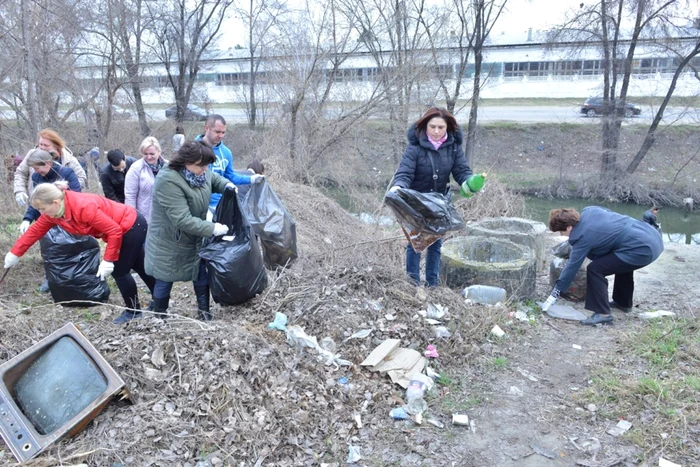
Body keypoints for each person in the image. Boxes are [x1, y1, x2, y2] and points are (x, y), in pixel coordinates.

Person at [4, 183, 157, 324]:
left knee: (119, 271)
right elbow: (34, 231)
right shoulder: (55, 213)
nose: (41, 212)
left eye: (42, 208)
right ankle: (160, 299)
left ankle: (133, 311)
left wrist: (108, 260)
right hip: (124, 226)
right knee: (138, 265)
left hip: (130, 225)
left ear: (55, 203)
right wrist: (15, 253)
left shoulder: (83, 207)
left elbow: (114, 230)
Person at [144, 140, 233, 321]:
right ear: (187, 162)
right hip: (170, 240)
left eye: (207, 165)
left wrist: (228, 186)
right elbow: (182, 219)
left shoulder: (201, 172)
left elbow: (214, 180)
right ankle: (159, 316)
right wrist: (212, 228)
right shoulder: (168, 180)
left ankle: (204, 313)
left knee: (200, 272)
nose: (205, 169)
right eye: (202, 166)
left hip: (194, 237)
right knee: (165, 278)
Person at [390, 107, 472, 287]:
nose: (436, 131)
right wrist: (398, 187)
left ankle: (432, 284)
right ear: (425, 126)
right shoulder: (414, 148)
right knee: (415, 243)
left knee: (435, 244)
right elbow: (404, 173)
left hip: (439, 204)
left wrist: (468, 182)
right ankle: (412, 283)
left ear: (448, 128)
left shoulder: (454, 148)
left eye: (440, 127)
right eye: (432, 126)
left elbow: (462, 171)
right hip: (416, 203)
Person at [542, 207, 664, 326]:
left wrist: (555, 292)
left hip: (644, 249)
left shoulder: (582, 237)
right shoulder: (590, 210)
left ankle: (603, 314)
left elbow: (572, 267)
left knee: (595, 269)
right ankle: (622, 302)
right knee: (621, 261)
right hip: (650, 236)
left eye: (561, 231)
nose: (563, 234)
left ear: (569, 227)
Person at [195, 114, 263, 216]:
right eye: (217, 132)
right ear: (207, 128)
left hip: (220, 204)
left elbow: (230, 176)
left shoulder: (226, 153)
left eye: (223, 132)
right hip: (198, 205)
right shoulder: (192, 148)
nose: (221, 136)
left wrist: (251, 179)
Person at [14, 129, 87, 206]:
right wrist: (20, 191)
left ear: (56, 146)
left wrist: (64, 188)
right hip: (38, 203)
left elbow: (81, 178)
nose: (42, 148)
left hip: (62, 204)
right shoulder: (32, 155)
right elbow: (20, 173)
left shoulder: (69, 159)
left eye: (46, 145)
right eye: (40, 144)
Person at [125, 137, 165, 223]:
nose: (149, 157)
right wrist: (133, 219)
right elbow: (130, 196)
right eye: (145, 154)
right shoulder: (136, 168)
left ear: (159, 152)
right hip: (145, 218)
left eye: (152, 153)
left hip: (165, 217)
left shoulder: (169, 167)